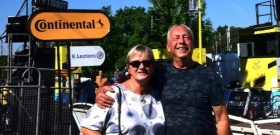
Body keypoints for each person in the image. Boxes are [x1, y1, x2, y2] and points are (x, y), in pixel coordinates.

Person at [97, 25, 230, 135]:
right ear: (168, 46)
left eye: (186, 37)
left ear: (193, 44)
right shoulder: (158, 71)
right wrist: (101, 91)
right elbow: (129, 85)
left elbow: (222, 118)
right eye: (176, 38)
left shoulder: (208, 75)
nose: (181, 41)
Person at [82, 45, 165, 135]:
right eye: (135, 64)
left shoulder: (159, 95)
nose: (141, 67)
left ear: (153, 67)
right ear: (128, 68)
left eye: (147, 63)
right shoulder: (114, 95)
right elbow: (88, 128)